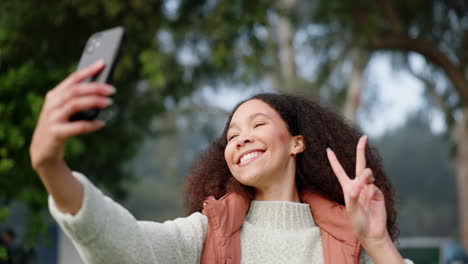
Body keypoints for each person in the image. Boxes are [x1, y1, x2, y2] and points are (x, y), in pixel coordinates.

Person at [30, 61, 413, 263]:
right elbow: (125, 247)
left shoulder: (348, 238)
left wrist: (376, 242)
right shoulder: (205, 234)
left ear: (297, 143)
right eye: (232, 135)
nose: (241, 137)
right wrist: (51, 169)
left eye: (258, 124)